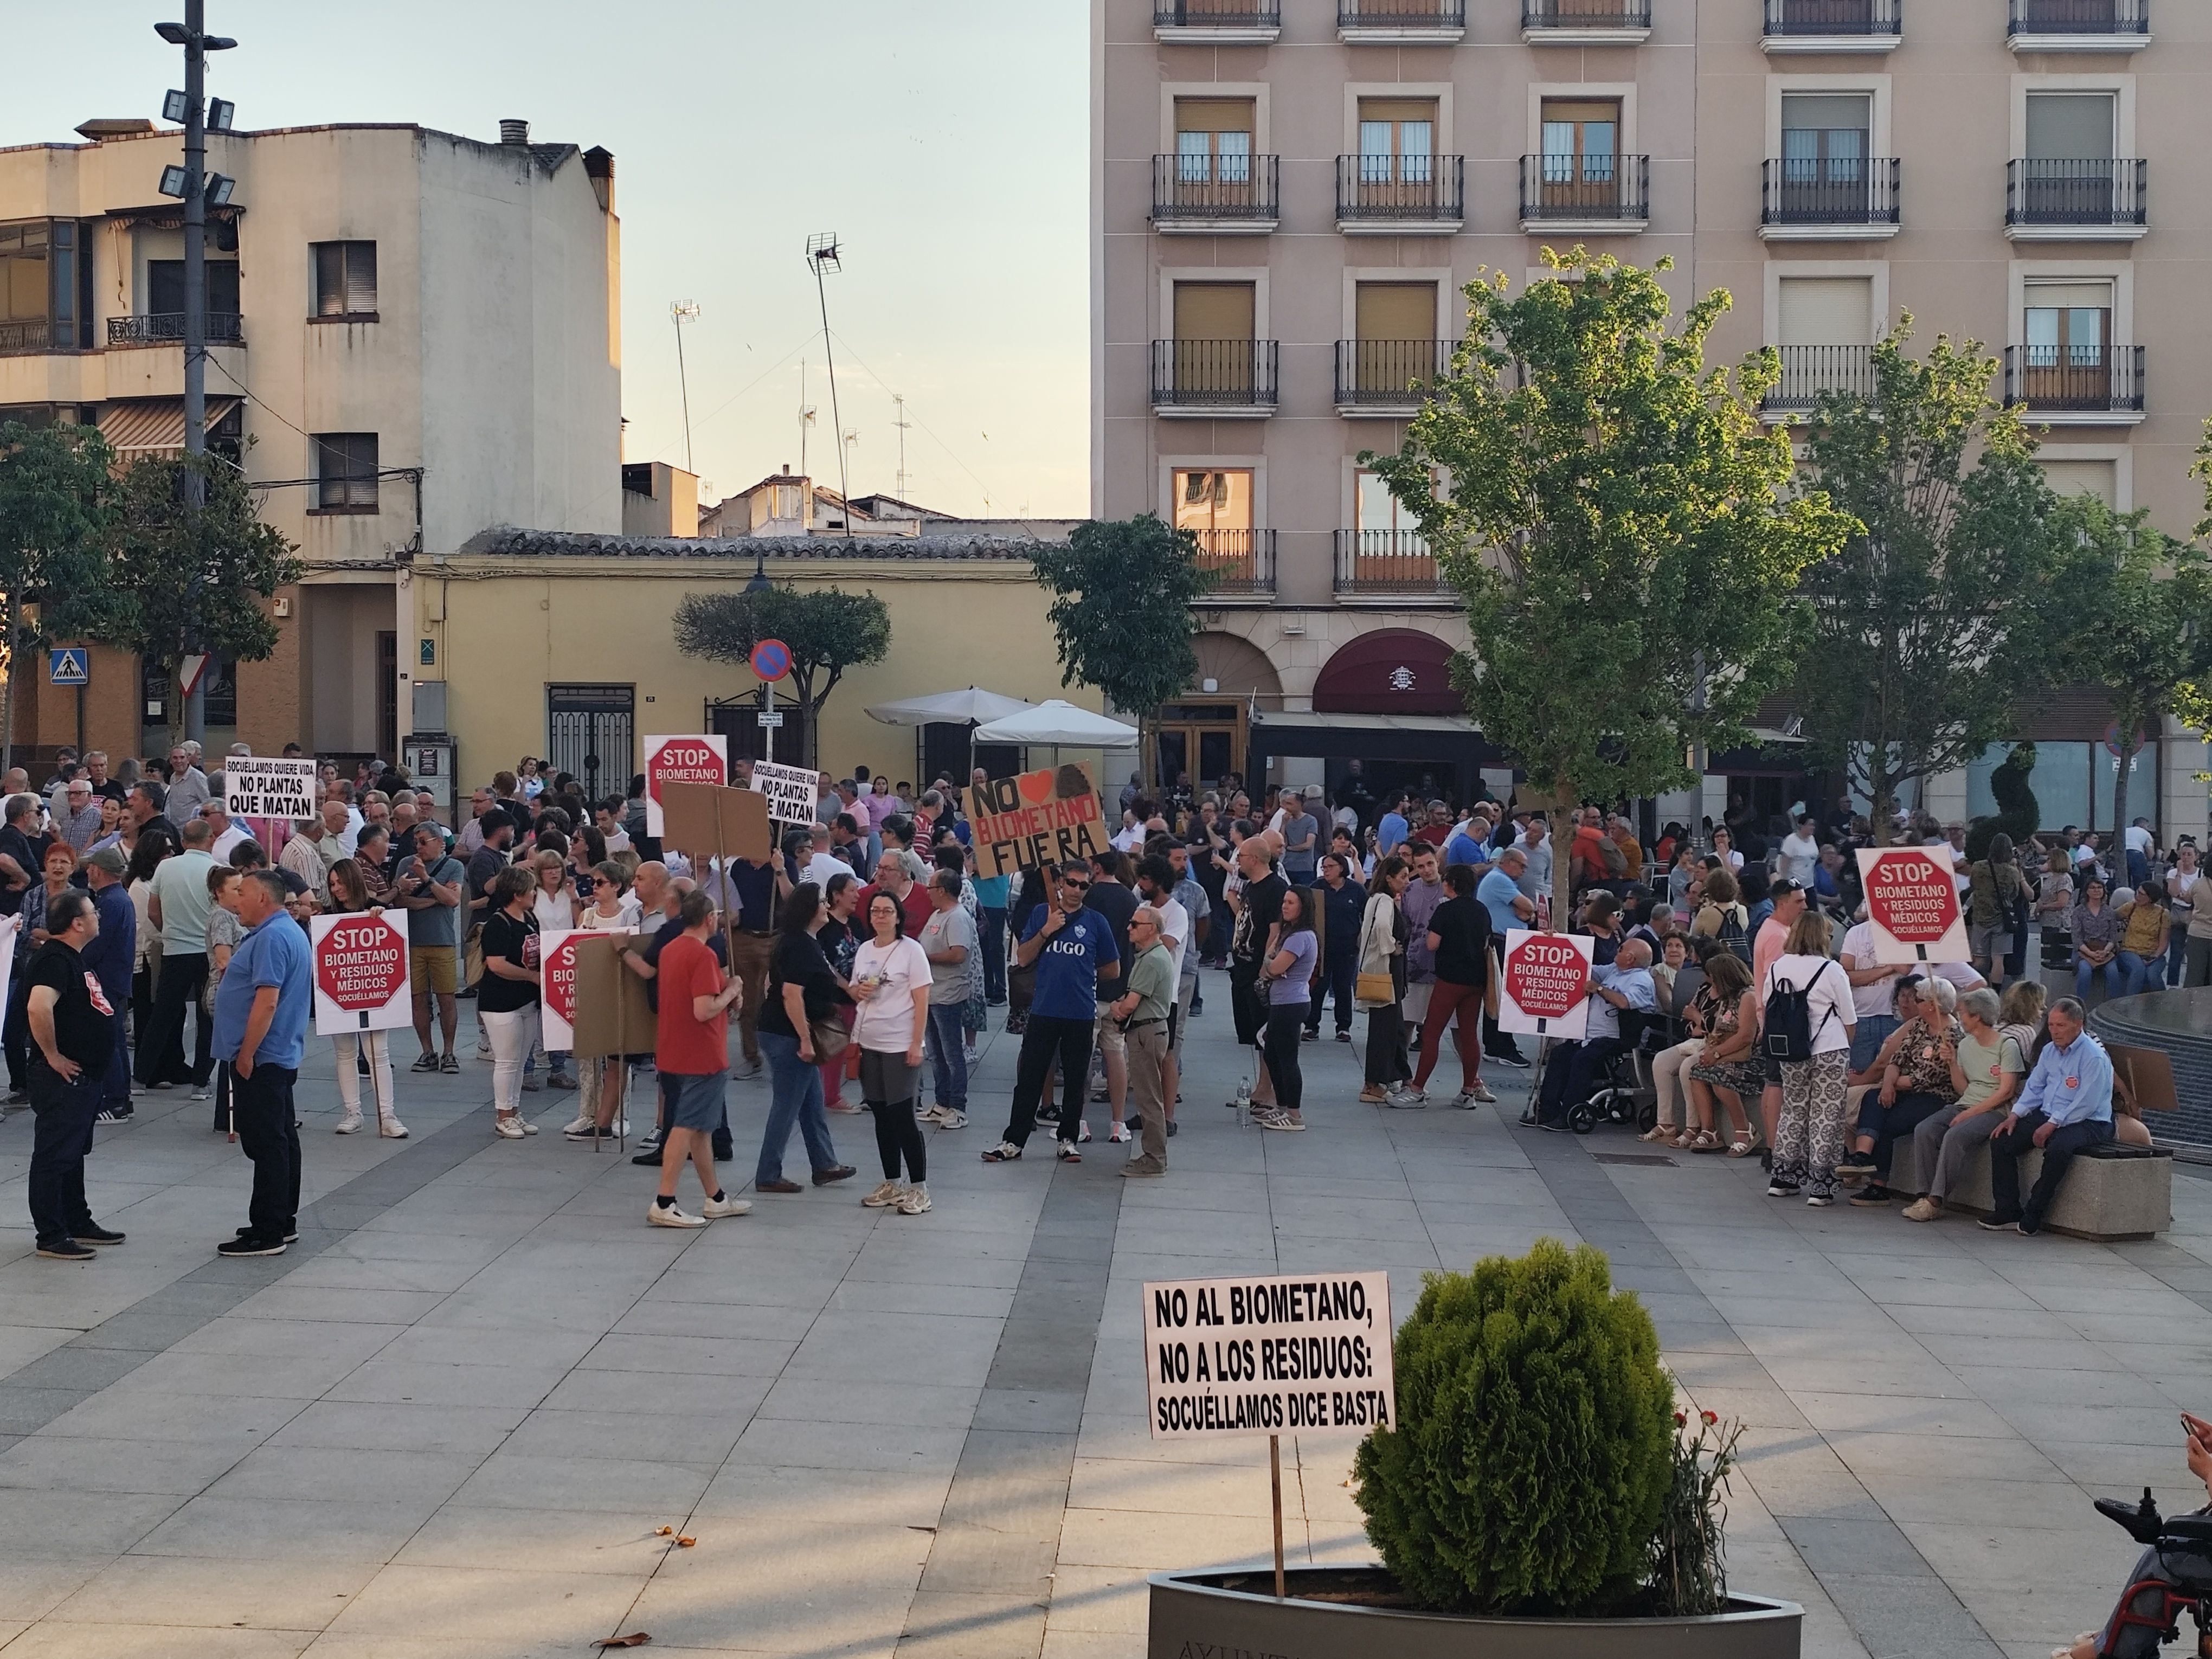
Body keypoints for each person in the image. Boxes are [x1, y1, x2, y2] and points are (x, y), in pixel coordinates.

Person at [985, 861, 1120, 1163]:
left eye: (1083, 886)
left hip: (1081, 1011)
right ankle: (1013, 1141)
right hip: (1045, 1008)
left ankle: (1068, 1139)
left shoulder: (1097, 922)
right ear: (1061, 882)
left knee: (1075, 1080)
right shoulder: (1040, 914)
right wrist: (1047, 930)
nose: (1076, 890)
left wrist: (1085, 974)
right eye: (1072, 883)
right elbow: (1022, 957)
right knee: (1030, 1077)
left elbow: (1113, 967)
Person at [211, 871, 313, 1256]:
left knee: (267, 1143)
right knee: (281, 1138)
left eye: (243, 893)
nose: (237, 900)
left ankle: (268, 1229)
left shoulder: (272, 937)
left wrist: (247, 1053)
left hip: (265, 1056)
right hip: (278, 1052)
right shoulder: (285, 931)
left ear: (263, 900)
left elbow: (266, 1001)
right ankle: (281, 1219)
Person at [24, 891, 126, 1260]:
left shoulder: (73, 959)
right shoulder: (54, 959)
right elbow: (38, 1006)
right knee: (54, 1154)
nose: (98, 916)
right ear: (77, 923)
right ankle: (51, 1233)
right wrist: (53, 1055)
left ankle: (76, 1219)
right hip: (62, 1078)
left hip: (86, 1078)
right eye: (92, 912)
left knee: (72, 1153)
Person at [647, 889, 751, 1227]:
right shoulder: (703, 955)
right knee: (687, 1125)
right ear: (709, 919)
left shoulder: (671, 949)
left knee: (702, 1129)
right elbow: (704, 1009)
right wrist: (733, 991)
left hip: (673, 1047)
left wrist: (727, 985)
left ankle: (716, 1197)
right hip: (702, 1052)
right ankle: (665, 1200)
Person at [756, 882, 856, 1195]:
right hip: (788, 1034)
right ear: (810, 909)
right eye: (822, 901)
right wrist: (805, 1039)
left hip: (781, 1030)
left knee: (811, 1103)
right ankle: (769, 1172)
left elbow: (771, 983)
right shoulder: (799, 945)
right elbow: (791, 995)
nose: (827, 906)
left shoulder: (801, 941)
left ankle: (824, 1163)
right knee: (786, 1104)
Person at [1982, 997, 2113, 1235]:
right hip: (2051, 1113)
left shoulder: (2093, 1056)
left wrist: (2052, 1124)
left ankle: (2035, 1213)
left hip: (2090, 1121)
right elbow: (2035, 1087)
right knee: (2002, 1140)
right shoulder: (2049, 1051)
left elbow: (2086, 1102)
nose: (2054, 1031)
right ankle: (2008, 1210)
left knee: (2058, 1150)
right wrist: (2016, 1114)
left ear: (2078, 1025)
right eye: (2051, 1025)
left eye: (2060, 1026)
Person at [1899, 987, 2028, 1223]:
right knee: (1925, 1130)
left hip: (1995, 1110)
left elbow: (2006, 1091)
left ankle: (1936, 1200)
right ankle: (1924, 1194)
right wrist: (1952, 1064)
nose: (1960, 1019)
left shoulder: (2007, 1046)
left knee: (1955, 1136)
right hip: (1966, 1103)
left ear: (1977, 1016)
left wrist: (1969, 1114)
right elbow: (1962, 1088)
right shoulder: (1967, 1045)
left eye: (1964, 1014)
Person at [1836, 975, 1961, 1205]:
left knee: (1888, 1121)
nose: (1916, 1003)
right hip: (1903, 1088)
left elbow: (1925, 1078)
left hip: (1934, 1096)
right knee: (1873, 1097)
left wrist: (1891, 1085)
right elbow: (1897, 1059)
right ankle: (1862, 1157)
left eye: (1920, 1000)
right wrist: (1886, 1085)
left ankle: (1878, 1184)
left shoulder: (1951, 1035)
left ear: (1933, 1005)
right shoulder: (1921, 1026)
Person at [1760, 911, 1857, 1206]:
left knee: (1793, 1108)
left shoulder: (1778, 967)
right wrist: (1846, 1047)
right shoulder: (1831, 969)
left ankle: (1783, 1178)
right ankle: (1821, 1186)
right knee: (1826, 1115)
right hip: (1829, 1048)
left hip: (1791, 1051)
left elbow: (1767, 1005)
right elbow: (1849, 1017)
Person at [850, 888, 934, 1214]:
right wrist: (858, 991)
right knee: (881, 1115)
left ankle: (920, 1188)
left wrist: (917, 1043)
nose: (880, 916)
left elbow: (922, 999)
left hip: (900, 1043)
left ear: (898, 917)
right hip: (870, 1041)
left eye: (887, 911)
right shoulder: (864, 950)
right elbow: (858, 989)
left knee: (903, 1116)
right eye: (875, 911)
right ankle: (892, 1182)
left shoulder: (911, 951)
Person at [321, 857, 407, 1139]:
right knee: (345, 1053)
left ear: (352, 880)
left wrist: (382, 914)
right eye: (332, 884)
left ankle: (388, 1115)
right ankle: (353, 1112)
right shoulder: (327, 915)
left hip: (373, 992)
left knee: (377, 1053)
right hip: (341, 992)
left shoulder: (376, 909)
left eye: (340, 883)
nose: (336, 889)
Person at [1400, 865, 1495, 1109]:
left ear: (1451, 884)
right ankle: (1468, 1090)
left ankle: (1418, 1088)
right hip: (1476, 980)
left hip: (1450, 978)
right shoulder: (1482, 910)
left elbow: (1432, 944)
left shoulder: (1445, 910)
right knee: (1469, 1034)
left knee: (1431, 1033)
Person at [138, 817, 220, 1098]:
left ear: (184, 842)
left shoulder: (166, 867)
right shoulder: (216, 871)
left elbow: (153, 911)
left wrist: (170, 931)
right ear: (211, 840)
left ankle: (141, 1077)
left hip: (175, 950)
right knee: (206, 1017)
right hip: (208, 953)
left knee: (161, 1016)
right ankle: (201, 1082)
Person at [564, 861, 645, 1141]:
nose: (594, 887)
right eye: (594, 882)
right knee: (587, 1057)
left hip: (618, 991)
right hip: (590, 990)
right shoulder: (587, 914)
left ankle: (621, 1115)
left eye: (600, 883)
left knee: (619, 1057)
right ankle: (587, 1113)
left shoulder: (630, 914)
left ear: (616, 886)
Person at [395, 822, 466, 1076]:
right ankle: (427, 1051)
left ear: (438, 841)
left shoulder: (454, 866)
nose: (419, 847)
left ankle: (449, 1051)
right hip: (414, 942)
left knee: (446, 998)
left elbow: (453, 900)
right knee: (418, 999)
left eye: (424, 842)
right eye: (417, 842)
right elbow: (402, 901)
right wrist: (435, 899)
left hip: (442, 941)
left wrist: (426, 879)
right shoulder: (406, 865)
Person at [477, 865, 542, 1140]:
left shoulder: (529, 918)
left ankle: (514, 1111)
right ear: (517, 894)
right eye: (531, 889)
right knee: (506, 1060)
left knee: (520, 1058)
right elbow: (496, 964)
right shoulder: (498, 924)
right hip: (500, 1002)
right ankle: (503, 1114)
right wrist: (531, 976)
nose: (535, 894)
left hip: (527, 1000)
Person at [1115, 904, 1178, 1176]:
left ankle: (1154, 1159)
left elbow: (1130, 1004)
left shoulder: (1152, 960)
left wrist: (1114, 1009)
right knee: (1148, 1097)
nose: (1129, 928)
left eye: (1135, 924)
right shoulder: (1154, 955)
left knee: (1149, 1099)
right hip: (1151, 1031)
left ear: (1151, 929)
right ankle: (1153, 1155)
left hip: (1146, 1032)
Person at [1684, 951, 1761, 1155]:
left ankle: (1745, 1130)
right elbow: (1720, 1030)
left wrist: (1716, 1054)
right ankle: (1710, 1131)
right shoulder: (1728, 999)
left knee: (1721, 1077)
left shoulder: (1748, 997)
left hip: (1752, 1057)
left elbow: (1746, 1036)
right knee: (1696, 1072)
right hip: (1728, 1052)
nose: (1708, 981)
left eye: (1712, 977)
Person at [1253, 886, 1319, 1131]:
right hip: (1281, 1001)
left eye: (1291, 902)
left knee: (1288, 1059)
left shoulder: (1300, 937)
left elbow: (1272, 966)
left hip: (1292, 1003)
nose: (1285, 906)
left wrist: (1273, 963)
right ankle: (1282, 1107)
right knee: (1271, 1055)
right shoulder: (1286, 934)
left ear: (1303, 907)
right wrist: (1272, 964)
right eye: (1284, 901)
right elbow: (1269, 967)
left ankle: (1294, 1113)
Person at [916, 869, 975, 1132]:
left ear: (942, 890)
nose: (927, 892)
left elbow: (958, 954)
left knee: (952, 1053)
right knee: (936, 1054)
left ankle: (958, 1107)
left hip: (949, 994)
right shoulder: (937, 915)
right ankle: (941, 1102)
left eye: (930, 887)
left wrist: (924, 957)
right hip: (932, 992)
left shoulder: (958, 918)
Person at [1356, 856, 1413, 1104]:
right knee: (1384, 1029)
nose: (1407, 881)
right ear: (1389, 879)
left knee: (1394, 1027)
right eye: (1403, 877)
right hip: (1387, 971)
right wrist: (1391, 947)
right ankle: (1373, 1083)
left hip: (1386, 972)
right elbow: (1381, 927)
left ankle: (1396, 1075)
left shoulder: (1376, 900)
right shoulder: (1385, 901)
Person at [1477, 846, 1535, 1066]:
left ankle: (1497, 1045)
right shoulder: (1499, 880)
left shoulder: (1505, 881)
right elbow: (1528, 906)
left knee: (1501, 995)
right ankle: (1502, 1047)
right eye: (1522, 866)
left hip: (1507, 942)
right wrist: (1526, 912)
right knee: (1503, 996)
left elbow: (1528, 914)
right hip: (1500, 943)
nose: (1524, 871)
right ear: (1508, 862)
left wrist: (1526, 915)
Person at [1309, 853, 1366, 1043]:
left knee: (1343, 987)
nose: (1326, 870)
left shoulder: (1356, 890)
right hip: (1321, 947)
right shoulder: (1317, 888)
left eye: (1330, 867)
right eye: (1324, 867)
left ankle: (1343, 1027)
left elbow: (1366, 916)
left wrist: (1360, 940)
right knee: (1318, 987)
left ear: (1341, 868)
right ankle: (1311, 1026)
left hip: (1347, 948)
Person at [1966, 835, 2026, 989]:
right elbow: (2014, 894)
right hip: (2002, 920)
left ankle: (1978, 991)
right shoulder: (2012, 872)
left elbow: (1973, 885)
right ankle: (1996, 993)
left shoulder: (1978, 867)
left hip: (1980, 917)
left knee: (1979, 959)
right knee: (1998, 959)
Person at [2071, 877, 2123, 1001]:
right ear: (2087, 891)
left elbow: (2113, 937)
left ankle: (2113, 1006)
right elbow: (2077, 939)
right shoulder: (2079, 911)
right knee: (2085, 971)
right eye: (2093, 888)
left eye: (2100, 888)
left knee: (2113, 973)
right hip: (2084, 951)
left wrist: (2105, 952)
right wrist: (2091, 954)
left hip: (2105, 951)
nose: (2097, 890)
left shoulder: (2109, 912)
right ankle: (2079, 1005)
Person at [2115, 879, 2170, 994]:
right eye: (2137, 892)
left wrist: (2154, 957)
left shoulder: (2163, 914)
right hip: (2130, 951)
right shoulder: (2131, 907)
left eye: (2141, 894)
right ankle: (2129, 1005)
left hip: (2153, 954)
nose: (2137, 896)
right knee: (2138, 969)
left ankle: (2163, 1004)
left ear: (2151, 898)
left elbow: (2164, 943)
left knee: (2153, 975)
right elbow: (2111, 916)